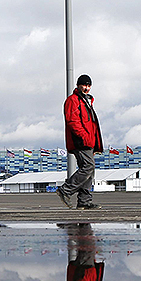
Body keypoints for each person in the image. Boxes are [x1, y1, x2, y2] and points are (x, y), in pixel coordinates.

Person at [57, 74, 104, 210]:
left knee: (90, 169)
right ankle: (65, 190)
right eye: (84, 85)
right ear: (78, 85)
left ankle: (84, 201)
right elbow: (73, 121)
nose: (87, 88)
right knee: (88, 167)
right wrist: (84, 137)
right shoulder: (73, 100)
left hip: (88, 141)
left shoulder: (86, 101)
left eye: (89, 86)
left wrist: (93, 142)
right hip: (81, 141)